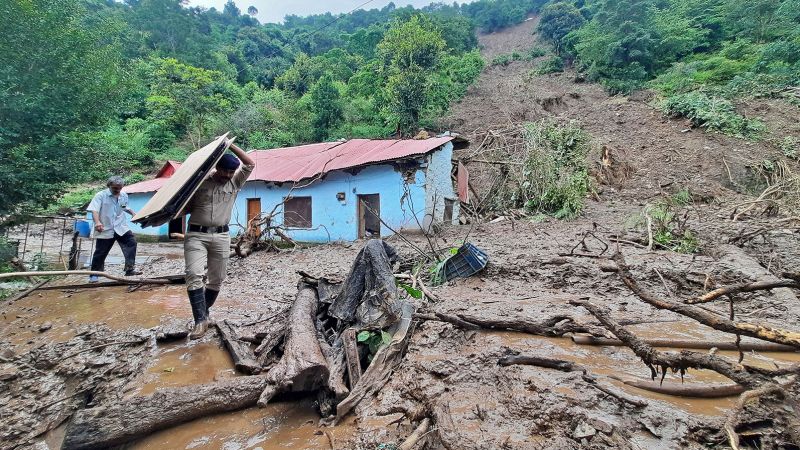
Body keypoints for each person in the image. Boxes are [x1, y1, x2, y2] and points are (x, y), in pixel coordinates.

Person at [182, 144, 255, 339]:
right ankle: (199, 321)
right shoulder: (199, 183)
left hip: (222, 236)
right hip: (196, 235)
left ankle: (203, 314)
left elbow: (250, 164)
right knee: (194, 274)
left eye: (232, 171)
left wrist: (230, 145)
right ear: (217, 168)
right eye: (225, 171)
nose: (229, 175)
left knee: (217, 279)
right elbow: (183, 205)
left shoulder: (235, 183)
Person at [87, 176, 141, 282]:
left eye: (120, 188)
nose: (117, 190)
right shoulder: (100, 195)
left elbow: (124, 207)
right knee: (101, 251)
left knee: (131, 243)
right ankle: (94, 274)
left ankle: (129, 269)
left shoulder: (123, 195)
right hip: (105, 227)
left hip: (120, 226)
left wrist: (133, 214)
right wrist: (97, 222)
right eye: (115, 188)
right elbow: (94, 210)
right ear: (109, 186)